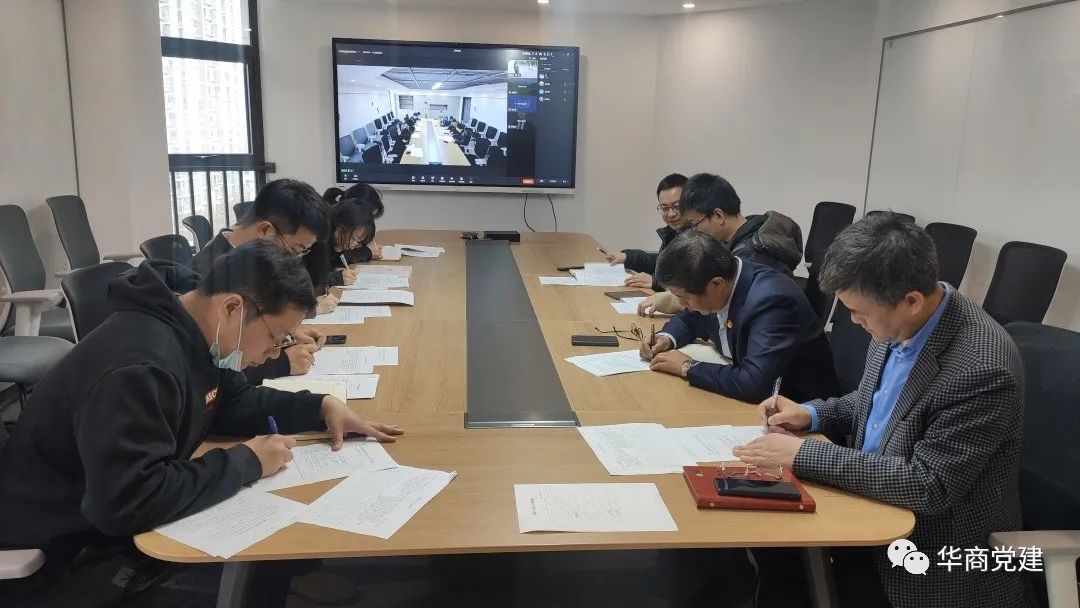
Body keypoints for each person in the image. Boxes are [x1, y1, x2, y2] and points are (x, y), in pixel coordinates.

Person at [0, 241, 403, 605]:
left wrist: (320, 406)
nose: (273, 353)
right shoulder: (139, 368)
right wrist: (247, 461)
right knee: (250, 576)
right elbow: (127, 502)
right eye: (276, 338)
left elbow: (232, 402)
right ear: (231, 308)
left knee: (265, 562)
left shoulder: (197, 332)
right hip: (64, 555)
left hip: (107, 522)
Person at [733, 214, 1032, 608]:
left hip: (925, 554)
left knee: (791, 574)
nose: (854, 322)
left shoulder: (981, 368)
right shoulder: (900, 320)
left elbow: (928, 484)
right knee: (773, 556)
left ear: (911, 301)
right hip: (870, 507)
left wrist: (804, 454)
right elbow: (877, 401)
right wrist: (812, 414)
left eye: (861, 313)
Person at [640, 230, 836, 404]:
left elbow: (755, 384)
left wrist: (688, 367)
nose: (682, 304)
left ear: (716, 284)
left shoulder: (772, 300)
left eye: (684, 297)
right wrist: (666, 338)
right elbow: (690, 318)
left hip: (797, 411)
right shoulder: (722, 279)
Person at [190, 178, 331, 379]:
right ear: (265, 230)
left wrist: (283, 334)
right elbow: (207, 367)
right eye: (294, 250)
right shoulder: (203, 279)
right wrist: (281, 363)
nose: (292, 261)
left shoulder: (250, 264)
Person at [636, 173, 804, 316]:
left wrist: (676, 302)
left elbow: (723, 308)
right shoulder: (737, 238)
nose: (693, 231)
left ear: (718, 215)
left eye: (695, 224)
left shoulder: (751, 256)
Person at [603, 173, 689, 290]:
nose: (671, 214)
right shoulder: (673, 232)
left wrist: (656, 282)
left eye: (677, 206)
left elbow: (696, 281)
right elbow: (663, 262)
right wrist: (627, 257)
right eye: (664, 208)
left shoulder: (701, 237)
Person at [322, 183, 385, 264]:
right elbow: (336, 259)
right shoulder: (324, 230)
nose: (369, 220)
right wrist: (367, 252)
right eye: (368, 214)